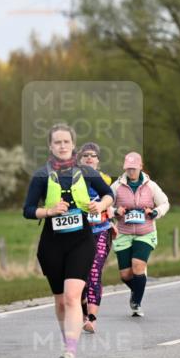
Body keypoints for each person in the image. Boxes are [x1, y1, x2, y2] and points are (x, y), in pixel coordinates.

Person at [23, 124, 114, 358]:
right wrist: (49, 211)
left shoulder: (86, 172)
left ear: (73, 145)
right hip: (52, 244)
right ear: (50, 146)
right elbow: (28, 210)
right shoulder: (41, 175)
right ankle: (68, 346)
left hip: (81, 242)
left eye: (66, 141)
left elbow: (109, 194)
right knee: (61, 301)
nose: (62, 146)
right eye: (57, 142)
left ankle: (70, 354)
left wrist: (100, 205)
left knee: (73, 296)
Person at [112, 152, 170, 315]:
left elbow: (165, 203)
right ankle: (137, 289)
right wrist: (116, 211)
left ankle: (136, 302)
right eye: (128, 168)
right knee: (125, 275)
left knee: (138, 266)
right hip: (123, 233)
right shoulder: (116, 186)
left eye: (134, 168)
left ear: (140, 167)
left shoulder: (151, 186)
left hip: (145, 232)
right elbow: (105, 204)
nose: (131, 171)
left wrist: (155, 212)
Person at [76, 142, 112, 334]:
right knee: (79, 277)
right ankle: (83, 313)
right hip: (79, 234)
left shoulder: (105, 180)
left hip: (101, 231)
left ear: (98, 160)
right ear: (79, 159)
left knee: (94, 272)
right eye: (85, 155)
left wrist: (109, 214)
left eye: (93, 155)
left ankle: (92, 318)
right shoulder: (72, 180)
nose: (89, 158)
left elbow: (112, 201)